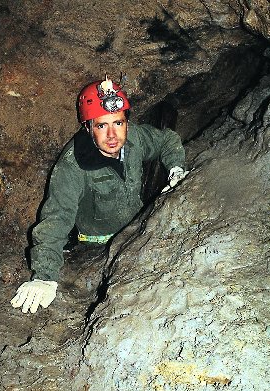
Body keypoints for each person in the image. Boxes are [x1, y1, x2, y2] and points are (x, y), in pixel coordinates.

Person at [11, 76, 187, 313]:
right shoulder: (72, 167)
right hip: (94, 247)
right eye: (102, 126)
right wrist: (44, 275)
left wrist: (176, 167)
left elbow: (167, 139)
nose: (112, 135)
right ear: (88, 127)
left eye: (118, 123)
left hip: (137, 228)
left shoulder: (133, 138)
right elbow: (56, 220)